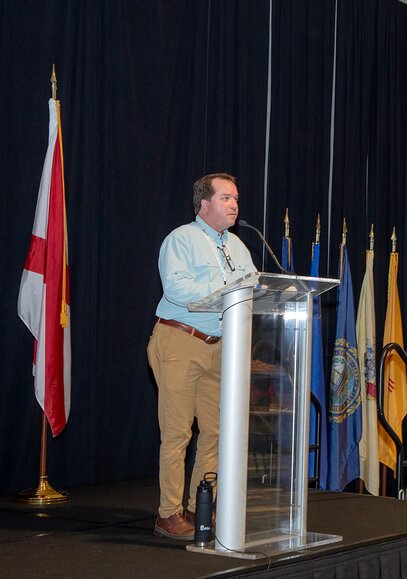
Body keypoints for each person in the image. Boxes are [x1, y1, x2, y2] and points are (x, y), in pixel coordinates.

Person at [147, 172, 257, 540]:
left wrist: (242, 285)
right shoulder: (182, 239)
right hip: (180, 339)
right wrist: (230, 283)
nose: (234, 205)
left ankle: (200, 507)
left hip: (222, 344)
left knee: (216, 431)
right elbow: (178, 289)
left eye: (236, 198)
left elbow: (253, 284)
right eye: (226, 198)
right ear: (204, 204)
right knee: (177, 432)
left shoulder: (238, 246)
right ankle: (168, 514)